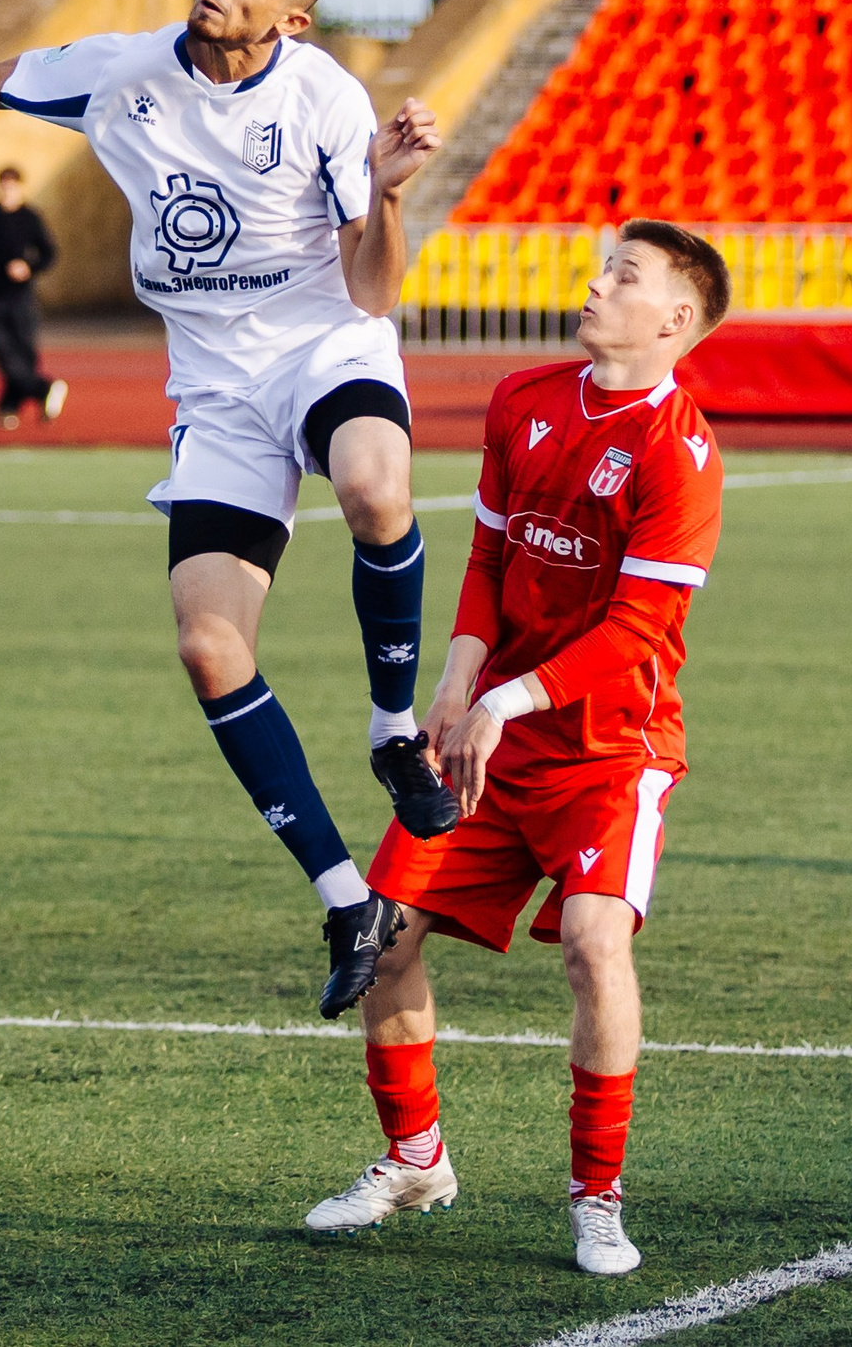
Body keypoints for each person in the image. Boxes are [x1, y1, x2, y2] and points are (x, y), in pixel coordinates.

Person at [0, 0, 457, 1018]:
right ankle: (348, 902)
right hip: (218, 394)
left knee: (376, 488)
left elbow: (373, 291)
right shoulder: (122, 72)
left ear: (291, 18)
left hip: (324, 348)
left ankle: (393, 731)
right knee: (208, 647)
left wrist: (384, 192)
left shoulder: (325, 99)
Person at [301, 221, 732, 1277]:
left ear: (675, 317)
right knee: (384, 935)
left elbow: (637, 629)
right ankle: (415, 1159)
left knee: (593, 940)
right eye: (602, 267)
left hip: (610, 749)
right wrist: (456, 684)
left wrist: (511, 698)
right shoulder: (523, 400)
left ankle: (596, 1196)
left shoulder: (682, 455)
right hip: (492, 731)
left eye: (622, 276)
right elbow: (489, 556)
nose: (594, 285)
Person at [0, 165, 66, 430]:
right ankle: (44, 389)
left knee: (25, 354)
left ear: (20, 188)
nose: (6, 192)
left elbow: (49, 253)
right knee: (4, 354)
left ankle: (8, 408)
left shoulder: (30, 218)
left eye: (11, 187)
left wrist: (28, 267)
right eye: (3, 186)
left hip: (21, 298)